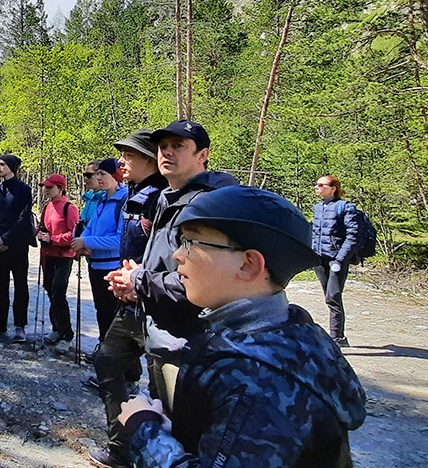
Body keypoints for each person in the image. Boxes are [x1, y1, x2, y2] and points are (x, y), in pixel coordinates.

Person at [117, 186, 367, 467]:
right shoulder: (298, 332)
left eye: (193, 242)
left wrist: (144, 431)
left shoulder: (257, 381)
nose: (178, 255)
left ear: (248, 265)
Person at [106, 120, 238, 406]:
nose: (167, 153)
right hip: (156, 316)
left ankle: (136, 443)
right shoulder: (167, 197)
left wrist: (138, 282)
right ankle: (127, 446)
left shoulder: (211, 204)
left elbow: (203, 284)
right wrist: (137, 277)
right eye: (163, 147)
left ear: (202, 155)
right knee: (110, 365)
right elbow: (164, 259)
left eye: (178, 146)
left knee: (177, 420)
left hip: (190, 336)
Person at [86, 129, 168, 467]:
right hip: (130, 300)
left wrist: (140, 279)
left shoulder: (164, 197)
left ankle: (161, 452)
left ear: (150, 160)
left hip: (158, 306)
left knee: (165, 387)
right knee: (106, 362)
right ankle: (121, 448)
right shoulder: (135, 193)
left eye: (129, 156)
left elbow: (170, 254)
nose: (122, 161)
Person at [70, 158, 127, 356]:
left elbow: (119, 240)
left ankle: (120, 366)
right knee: (102, 312)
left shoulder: (125, 201)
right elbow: (91, 227)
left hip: (114, 269)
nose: (98, 178)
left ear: (116, 176)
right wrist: (81, 241)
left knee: (115, 317)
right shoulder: (102, 200)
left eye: (103, 174)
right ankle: (104, 353)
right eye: (98, 174)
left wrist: (86, 243)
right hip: (96, 266)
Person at [0, 153, 35, 342]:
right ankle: (0, 323)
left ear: (11, 167)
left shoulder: (24, 189)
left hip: (18, 244)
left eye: (2, 164)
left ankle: (20, 326)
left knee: (20, 284)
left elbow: (24, 217)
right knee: (0, 284)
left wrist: (5, 238)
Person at [311, 174, 359, 347]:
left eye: (321, 185)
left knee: (333, 296)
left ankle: (337, 337)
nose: (317, 187)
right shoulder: (318, 207)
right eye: (317, 185)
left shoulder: (345, 207)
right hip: (320, 260)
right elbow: (315, 233)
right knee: (328, 297)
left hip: (336, 260)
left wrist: (340, 259)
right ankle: (338, 337)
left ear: (333, 188)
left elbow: (353, 235)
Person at [36, 173, 80, 353]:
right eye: (45, 187)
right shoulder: (47, 206)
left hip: (64, 256)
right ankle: (56, 328)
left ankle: (67, 334)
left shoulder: (69, 208)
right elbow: (43, 227)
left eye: (50, 187)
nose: (46, 190)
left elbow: (74, 233)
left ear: (60, 188)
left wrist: (53, 239)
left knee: (58, 292)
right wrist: (39, 233)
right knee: (50, 289)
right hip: (48, 255)